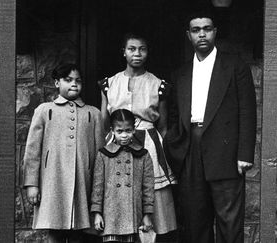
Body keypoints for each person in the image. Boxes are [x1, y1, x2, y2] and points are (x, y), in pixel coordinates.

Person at [164, 11, 257, 243]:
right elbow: (175, 114)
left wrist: (244, 154)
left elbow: (247, 111)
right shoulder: (181, 73)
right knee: (195, 221)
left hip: (225, 150)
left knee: (229, 222)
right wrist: (175, 147)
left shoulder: (235, 66)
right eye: (196, 30)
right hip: (190, 150)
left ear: (215, 32)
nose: (202, 34)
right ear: (189, 35)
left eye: (206, 29)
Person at [98, 33, 177, 240]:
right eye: (132, 49)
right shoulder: (109, 83)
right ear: (123, 52)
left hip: (148, 144)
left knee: (151, 196)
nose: (137, 53)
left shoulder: (158, 84)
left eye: (142, 49)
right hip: (117, 143)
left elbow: (163, 125)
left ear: (147, 52)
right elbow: (104, 121)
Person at [22, 63, 104, 243]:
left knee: (79, 232)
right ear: (57, 83)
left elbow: (100, 157)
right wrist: (31, 184)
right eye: (68, 80)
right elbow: (32, 151)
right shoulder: (44, 110)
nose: (74, 84)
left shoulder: (94, 113)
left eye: (78, 81)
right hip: (53, 182)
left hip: (83, 182)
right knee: (55, 232)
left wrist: (98, 192)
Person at [91, 109, 154, 243]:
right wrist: (97, 213)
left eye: (128, 130)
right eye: (119, 131)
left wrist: (147, 214)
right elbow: (97, 187)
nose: (124, 135)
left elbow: (148, 187)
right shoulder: (103, 155)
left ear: (134, 130)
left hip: (134, 216)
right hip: (110, 216)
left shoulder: (143, 155)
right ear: (112, 130)